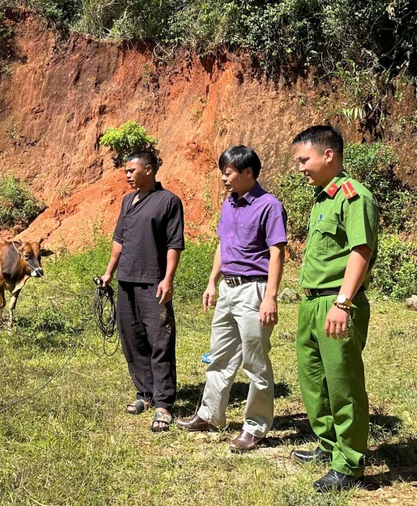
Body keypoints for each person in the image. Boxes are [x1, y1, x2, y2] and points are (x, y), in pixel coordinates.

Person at [176, 146, 287, 454]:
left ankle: (255, 427)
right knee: (219, 355)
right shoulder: (229, 204)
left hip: (254, 291)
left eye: (228, 173)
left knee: (255, 361)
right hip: (228, 288)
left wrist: (271, 298)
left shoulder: (269, 206)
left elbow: (277, 253)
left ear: (248, 173)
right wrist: (212, 281)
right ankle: (210, 414)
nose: (223, 179)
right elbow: (222, 244)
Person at [290, 126, 379, 492]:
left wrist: (342, 302)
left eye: (304, 160)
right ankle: (329, 445)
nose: (300, 168)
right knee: (315, 383)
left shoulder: (353, 196)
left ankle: (350, 464)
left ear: (328, 155)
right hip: (312, 303)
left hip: (336, 301)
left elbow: (361, 250)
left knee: (343, 385)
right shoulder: (321, 199)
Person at [100, 149, 185, 433]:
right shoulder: (127, 201)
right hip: (126, 281)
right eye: (125, 171)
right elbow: (119, 240)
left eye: (131, 171)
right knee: (132, 339)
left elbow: (174, 244)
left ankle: (163, 403)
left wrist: (168, 278)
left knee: (160, 340)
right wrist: (109, 273)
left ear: (148, 170)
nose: (127, 176)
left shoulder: (169, 201)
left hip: (153, 281)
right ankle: (145, 394)